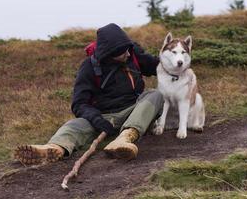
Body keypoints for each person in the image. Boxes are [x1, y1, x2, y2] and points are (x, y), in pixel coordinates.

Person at [14, 23, 163, 165]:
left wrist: (177, 62)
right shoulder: (89, 67)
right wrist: (97, 119)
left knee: (155, 95)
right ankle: (54, 149)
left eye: (128, 50)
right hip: (103, 116)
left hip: (134, 111)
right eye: (122, 52)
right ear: (110, 53)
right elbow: (79, 104)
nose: (128, 54)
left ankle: (125, 138)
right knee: (74, 124)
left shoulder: (132, 55)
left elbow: (159, 67)